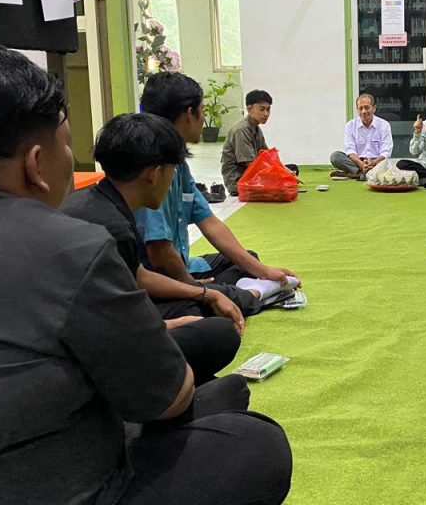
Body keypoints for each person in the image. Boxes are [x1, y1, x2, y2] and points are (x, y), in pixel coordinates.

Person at [0, 43, 291, 505]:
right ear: (36, 164)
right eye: (67, 144)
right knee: (255, 442)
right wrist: (198, 299)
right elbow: (167, 398)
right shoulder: (69, 246)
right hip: (52, 479)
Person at [60, 113, 246, 385]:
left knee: (203, 307)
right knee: (218, 337)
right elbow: (112, 324)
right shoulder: (114, 226)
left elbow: (137, 275)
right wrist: (170, 324)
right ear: (155, 174)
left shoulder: (94, 202)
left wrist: (205, 293)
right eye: (172, 172)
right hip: (90, 350)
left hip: (91, 326)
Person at [136, 73, 298, 313]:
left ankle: (235, 292)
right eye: (202, 111)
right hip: (161, 281)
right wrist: (195, 289)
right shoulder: (152, 169)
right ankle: (250, 295)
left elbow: (210, 222)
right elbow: (159, 252)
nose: (204, 120)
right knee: (209, 322)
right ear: (189, 114)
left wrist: (262, 270)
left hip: (183, 265)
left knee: (248, 259)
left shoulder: (179, 164)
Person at [222, 88, 291, 194]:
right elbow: (251, 165)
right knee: (281, 181)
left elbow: (269, 158)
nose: (266, 114)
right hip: (238, 181)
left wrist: (287, 171)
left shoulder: (256, 129)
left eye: (268, 109)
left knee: (291, 169)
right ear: (250, 109)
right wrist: (280, 174)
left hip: (250, 175)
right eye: (262, 109)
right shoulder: (241, 130)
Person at [330, 93, 392, 179]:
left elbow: (386, 152)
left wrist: (373, 163)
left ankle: (355, 174)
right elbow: (350, 150)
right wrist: (361, 164)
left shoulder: (384, 125)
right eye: (360, 108)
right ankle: (361, 173)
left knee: (385, 163)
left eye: (367, 108)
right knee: (335, 157)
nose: (363, 111)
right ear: (357, 110)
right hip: (357, 162)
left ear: (374, 108)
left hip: (376, 162)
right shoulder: (350, 126)